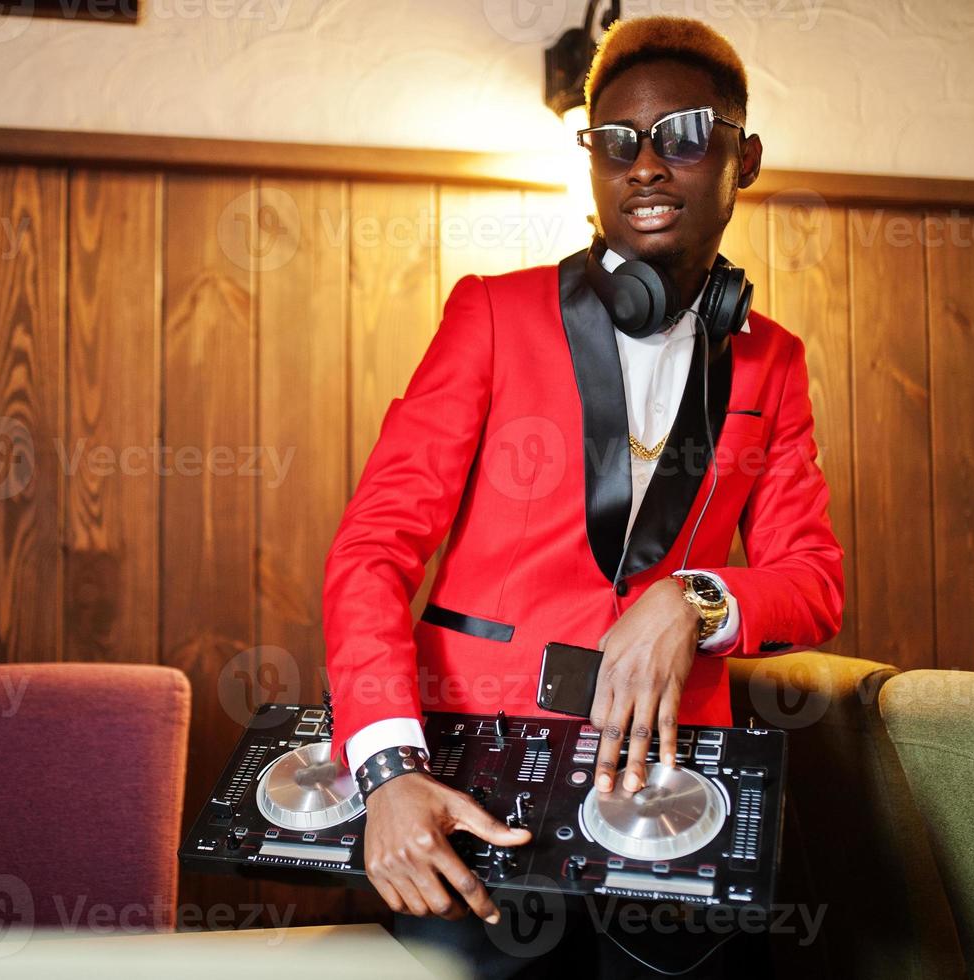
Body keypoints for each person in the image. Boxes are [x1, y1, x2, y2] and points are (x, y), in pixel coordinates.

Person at [321, 15, 843, 978]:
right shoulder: (488, 312)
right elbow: (371, 551)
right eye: (614, 142)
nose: (645, 165)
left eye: (683, 134)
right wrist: (389, 772)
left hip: (669, 797)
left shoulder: (774, 359)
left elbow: (809, 579)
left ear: (746, 157)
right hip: (465, 789)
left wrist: (693, 596)